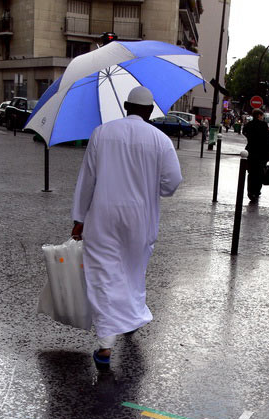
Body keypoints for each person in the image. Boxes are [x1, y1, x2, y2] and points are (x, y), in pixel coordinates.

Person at [70, 86, 183, 369]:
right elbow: (172, 183)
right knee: (134, 270)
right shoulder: (160, 140)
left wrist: (79, 218)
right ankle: (131, 318)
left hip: (102, 215)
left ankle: (106, 346)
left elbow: (87, 180)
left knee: (104, 276)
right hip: (140, 218)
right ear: (149, 111)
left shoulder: (102, 133)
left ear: (125, 105)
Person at [242, 108, 269, 202]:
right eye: (261, 116)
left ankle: (250, 192)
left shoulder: (249, 124)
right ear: (258, 115)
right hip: (261, 153)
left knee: (251, 173)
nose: (262, 117)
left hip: (251, 152)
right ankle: (256, 191)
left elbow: (244, 132)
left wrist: (250, 139)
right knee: (259, 174)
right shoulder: (263, 125)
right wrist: (268, 154)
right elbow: (267, 140)